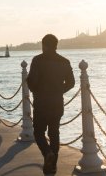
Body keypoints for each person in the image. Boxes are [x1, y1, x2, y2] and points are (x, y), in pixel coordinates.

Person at [27, 34, 75, 174]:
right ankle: (52, 165)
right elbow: (71, 83)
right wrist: (59, 90)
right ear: (56, 45)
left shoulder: (37, 60)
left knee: (38, 132)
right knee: (54, 133)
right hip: (57, 103)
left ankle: (48, 153)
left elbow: (32, 81)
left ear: (44, 45)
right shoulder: (64, 62)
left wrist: (36, 91)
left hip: (41, 103)